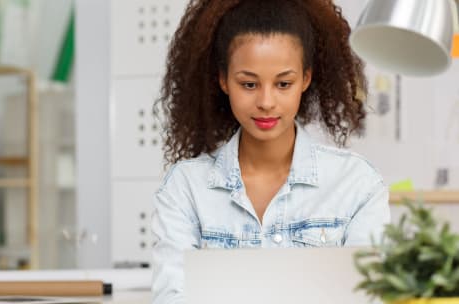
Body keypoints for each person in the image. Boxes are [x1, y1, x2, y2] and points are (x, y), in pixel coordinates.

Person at [151, 0, 391, 303]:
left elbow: (371, 297)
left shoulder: (356, 184)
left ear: (305, 79)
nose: (266, 101)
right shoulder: (186, 188)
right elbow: (171, 297)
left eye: (283, 83)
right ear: (223, 80)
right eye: (249, 84)